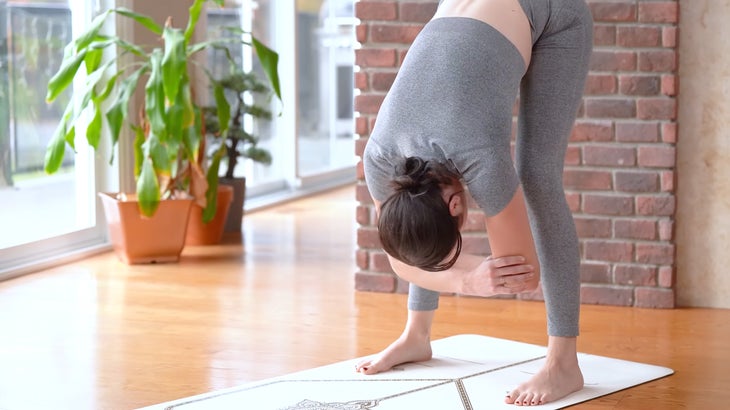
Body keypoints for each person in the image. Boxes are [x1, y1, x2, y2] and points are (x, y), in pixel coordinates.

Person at [358, 0, 593, 406]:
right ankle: (417, 335)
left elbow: (523, 273)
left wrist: (462, 277)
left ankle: (563, 364)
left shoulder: (478, 154)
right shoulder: (379, 156)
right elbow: (402, 252)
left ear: (454, 207)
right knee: (418, 234)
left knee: (537, 176)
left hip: (554, 12)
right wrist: (465, 279)